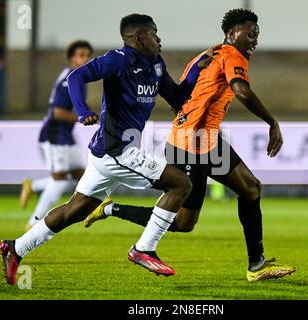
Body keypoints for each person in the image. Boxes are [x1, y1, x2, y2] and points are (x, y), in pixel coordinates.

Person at [0, 13, 218, 285]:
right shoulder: (118, 59)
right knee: (181, 185)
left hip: (111, 152)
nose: (159, 38)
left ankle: (15, 248)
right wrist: (82, 111)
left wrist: (197, 69)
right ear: (137, 38)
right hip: (118, 150)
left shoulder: (155, 64)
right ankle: (143, 248)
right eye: (154, 33)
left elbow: (176, 96)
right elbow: (77, 77)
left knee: (75, 211)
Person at [84, 9, 297, 282]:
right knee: (184, 223)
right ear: (232, 34)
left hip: (205, 140)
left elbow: (182, 97)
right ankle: (111, 209)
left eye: (257, 35)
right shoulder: (232, 55)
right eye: (250, 34)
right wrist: (272, 122)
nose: (255, 40)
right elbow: (241, 89)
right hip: (189, 143)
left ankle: (256, 265)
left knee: (251, 188)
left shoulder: (204, 55)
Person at [19, 40, 94, 230]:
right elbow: (57, 112)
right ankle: (33, 223)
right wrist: (83, 117)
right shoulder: (68, 79)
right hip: (54, 136)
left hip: (66, 136)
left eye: (87, 54)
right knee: (60, 182)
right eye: (81, 55)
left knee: (82, 175)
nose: (85, 58)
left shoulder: (78, 77)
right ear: (72, 58)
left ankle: (34, 186)